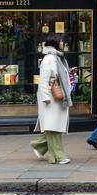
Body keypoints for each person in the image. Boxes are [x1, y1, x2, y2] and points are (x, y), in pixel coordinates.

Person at [30, 34, 72, 164]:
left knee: (54, 126)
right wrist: (46, 98)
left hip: (57, 98)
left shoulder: (58, 58)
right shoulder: (49, 59)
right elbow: (43, 80)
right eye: (60, 41)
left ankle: (39, 145)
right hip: (51, 98)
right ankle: (57, 156)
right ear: (55, 43)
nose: (62, 43)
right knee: (53, 127)